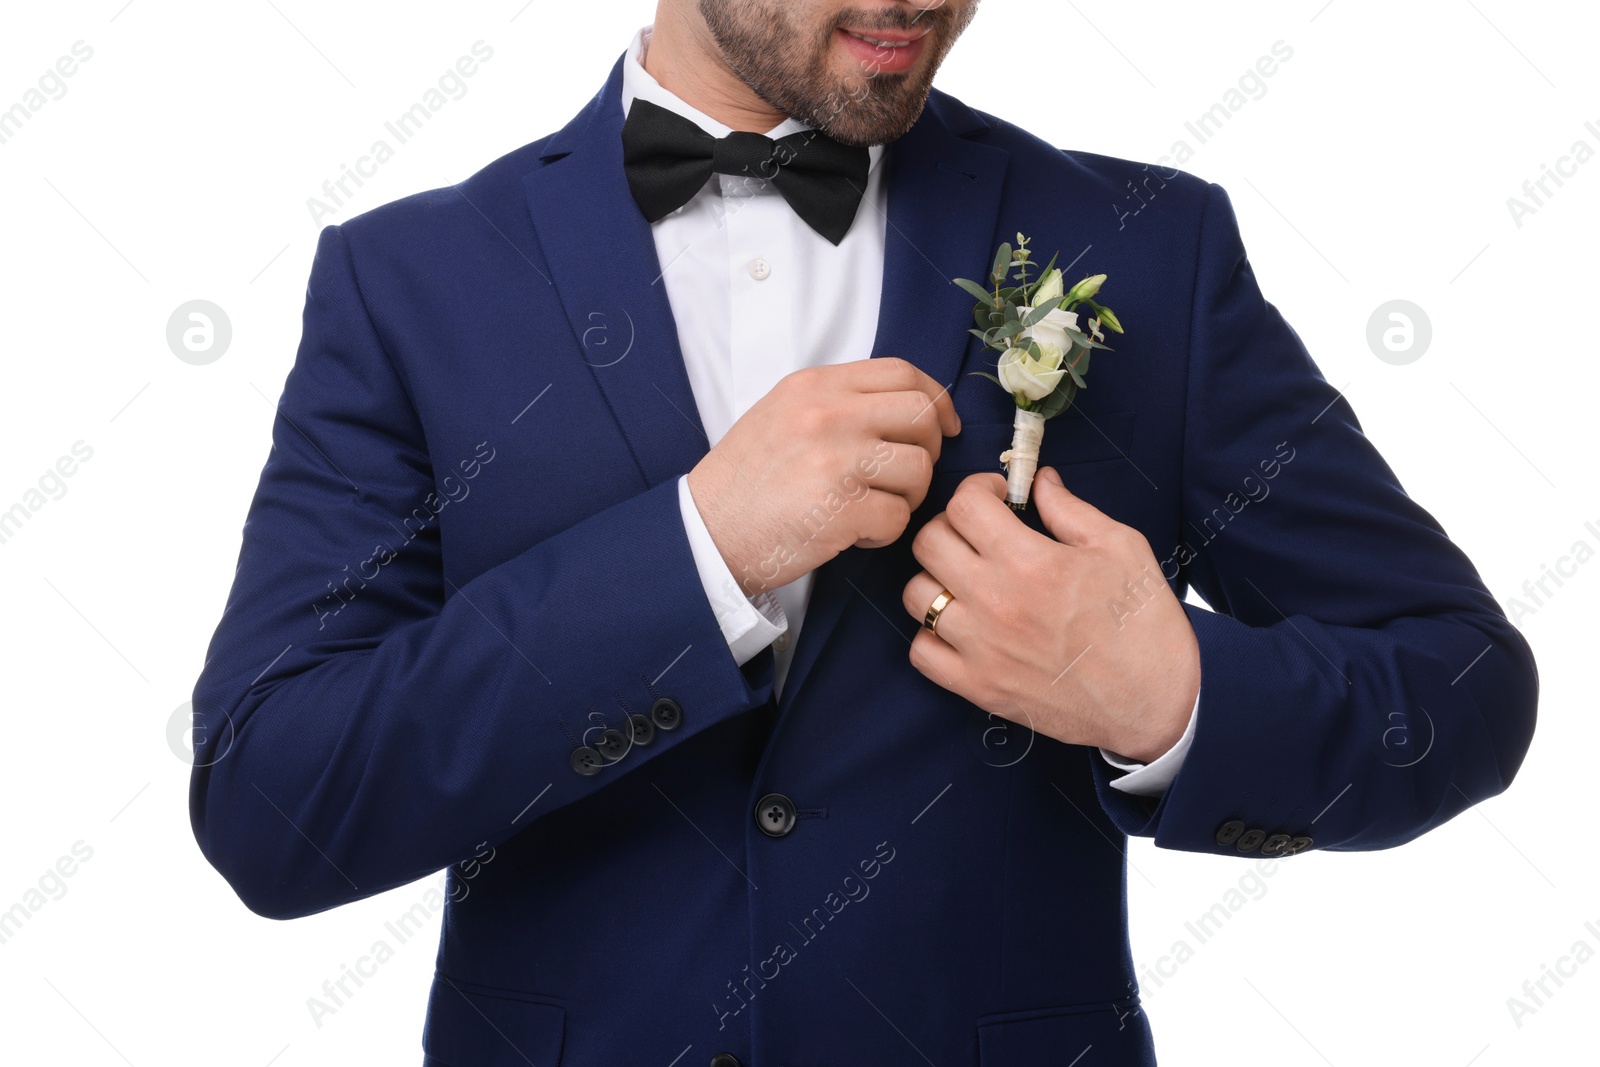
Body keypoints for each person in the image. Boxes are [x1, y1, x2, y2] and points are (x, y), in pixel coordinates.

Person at [189, 2, 1539, 1063]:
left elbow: (1461, 683)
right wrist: (697, 553)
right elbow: (276, 799)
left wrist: (1169, 692)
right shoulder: (406, 280)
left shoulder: (1145, 247)